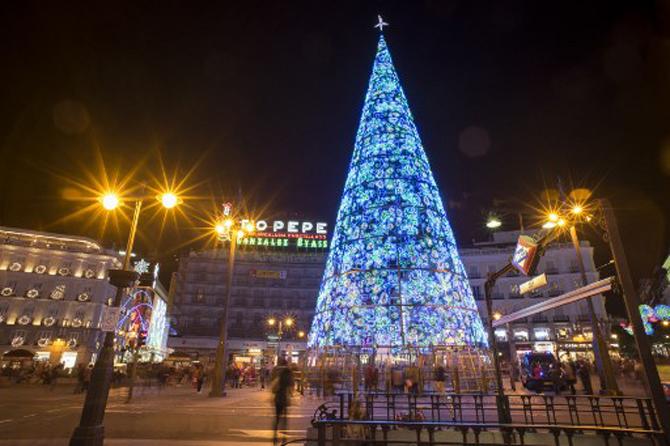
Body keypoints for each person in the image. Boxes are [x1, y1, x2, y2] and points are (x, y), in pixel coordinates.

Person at [272, 358, 294, 445]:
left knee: (277, 416)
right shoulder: (288, 372)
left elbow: (271, 381)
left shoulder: (276, 370)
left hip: (277, 396)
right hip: (284, 396)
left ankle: (275, 433)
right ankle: (284, 434)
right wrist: (291, 393)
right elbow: (291, 384)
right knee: (285, 416)